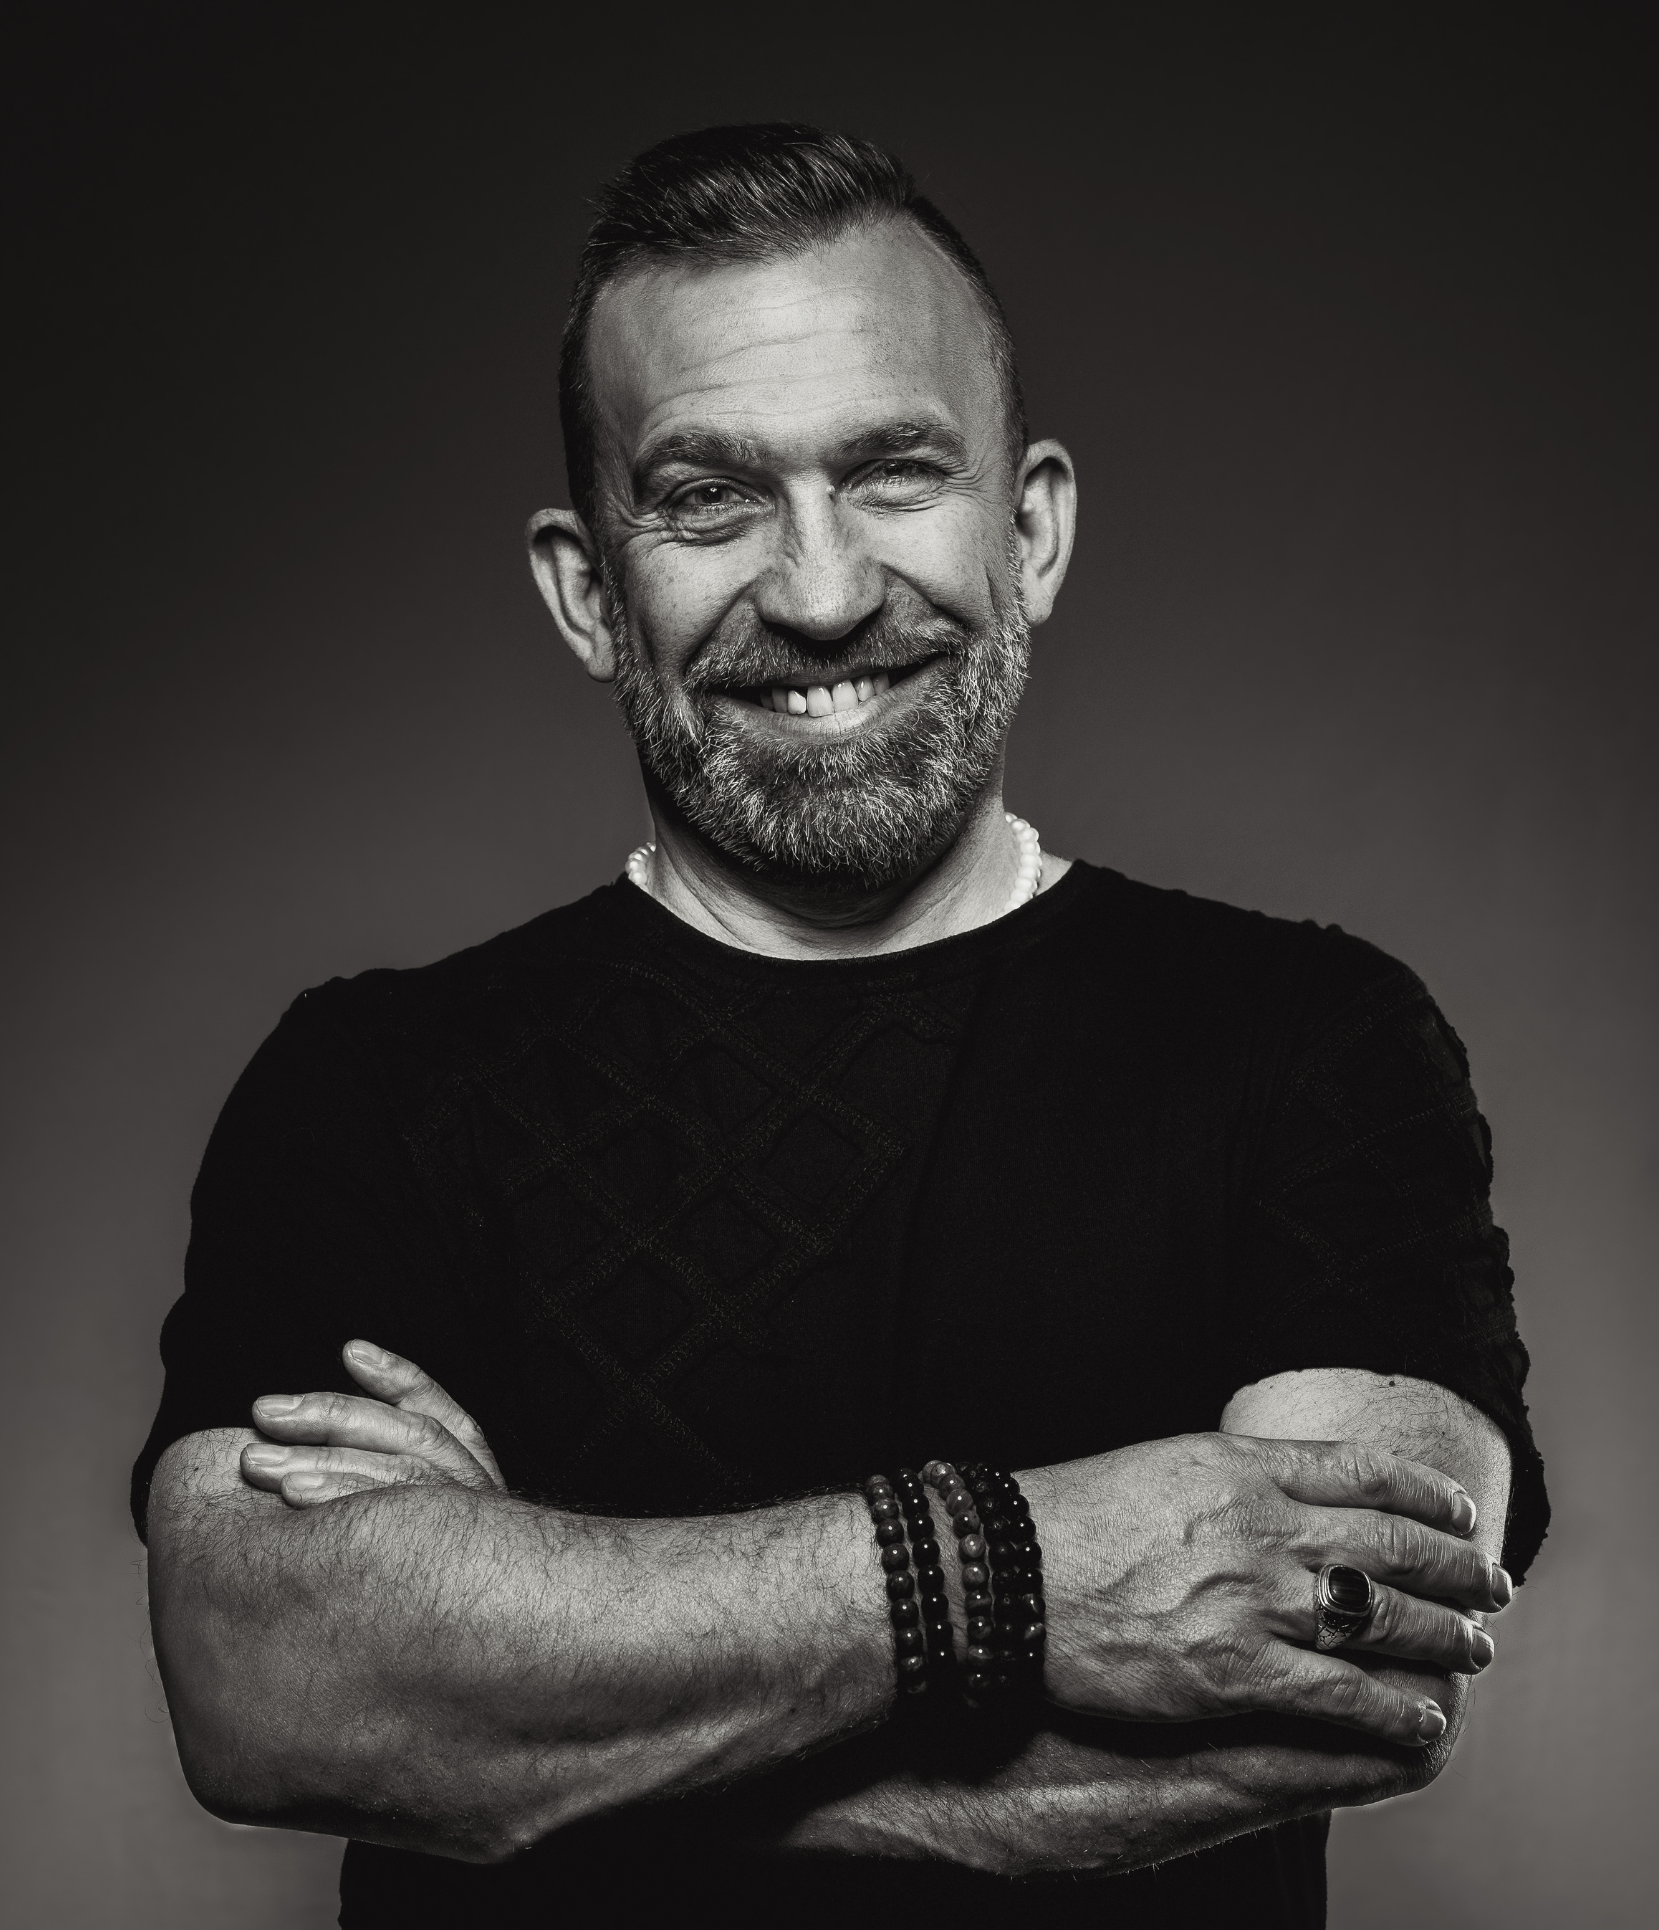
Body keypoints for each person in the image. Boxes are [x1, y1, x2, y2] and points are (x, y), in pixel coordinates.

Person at [134, 124, 1547, 1928]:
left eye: (891, 473)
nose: (818, 592)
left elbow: (1350, 1678)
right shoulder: (371, 1088)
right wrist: (1028, 1566)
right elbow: (269, 1686)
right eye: (708, 498)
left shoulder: (1310, 1044)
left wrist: (526, 1733)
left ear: (1030, 530)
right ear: (589, 592)